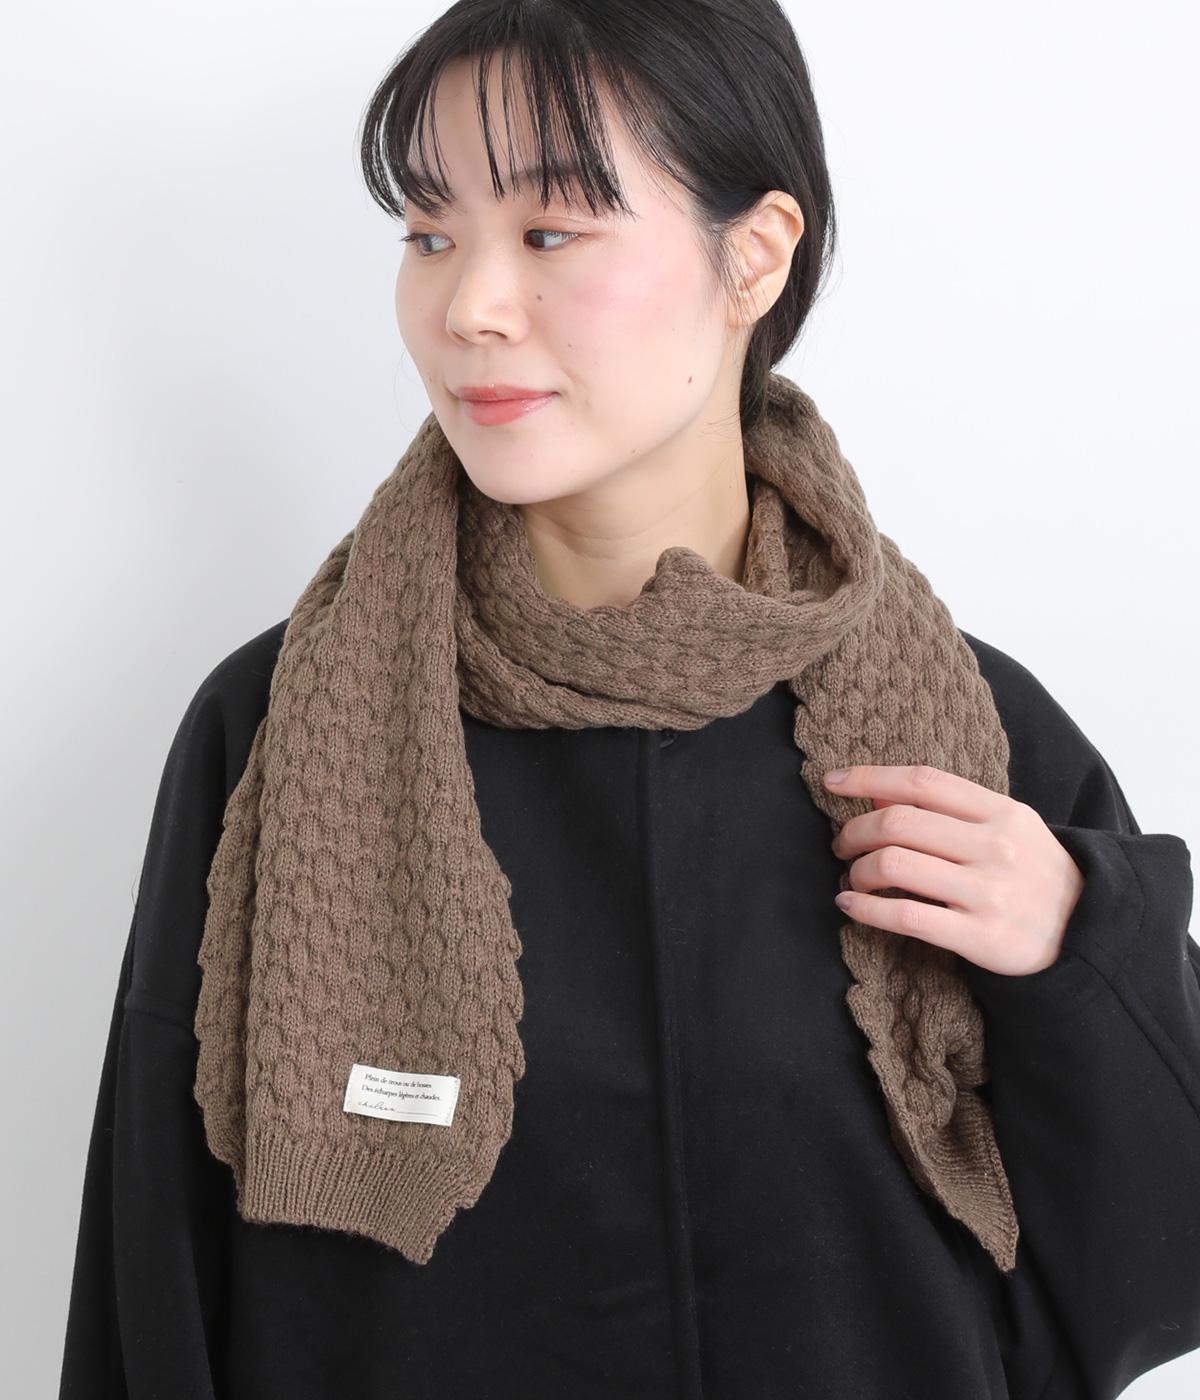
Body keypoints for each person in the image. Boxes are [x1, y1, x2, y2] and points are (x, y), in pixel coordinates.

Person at [58, 3, 1200, 1398]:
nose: (469, 305)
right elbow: (151, 1291)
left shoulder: (973, 742)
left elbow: (1152, 1274)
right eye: (429, 233)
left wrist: (1081, 955)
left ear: (754, 257)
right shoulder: (276, 730)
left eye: (550, 232)